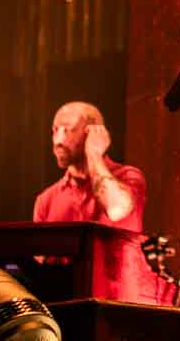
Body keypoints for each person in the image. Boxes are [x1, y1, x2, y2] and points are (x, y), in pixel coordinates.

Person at [33, 102, 165, 303]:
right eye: (55, 130)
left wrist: (94, 154)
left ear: (92, 133)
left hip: (118, 306)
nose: (58, 140)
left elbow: (115, 208)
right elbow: (40, 269)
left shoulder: (128, 177)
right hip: (67, 308)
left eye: (68, 130)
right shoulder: (47, 199)